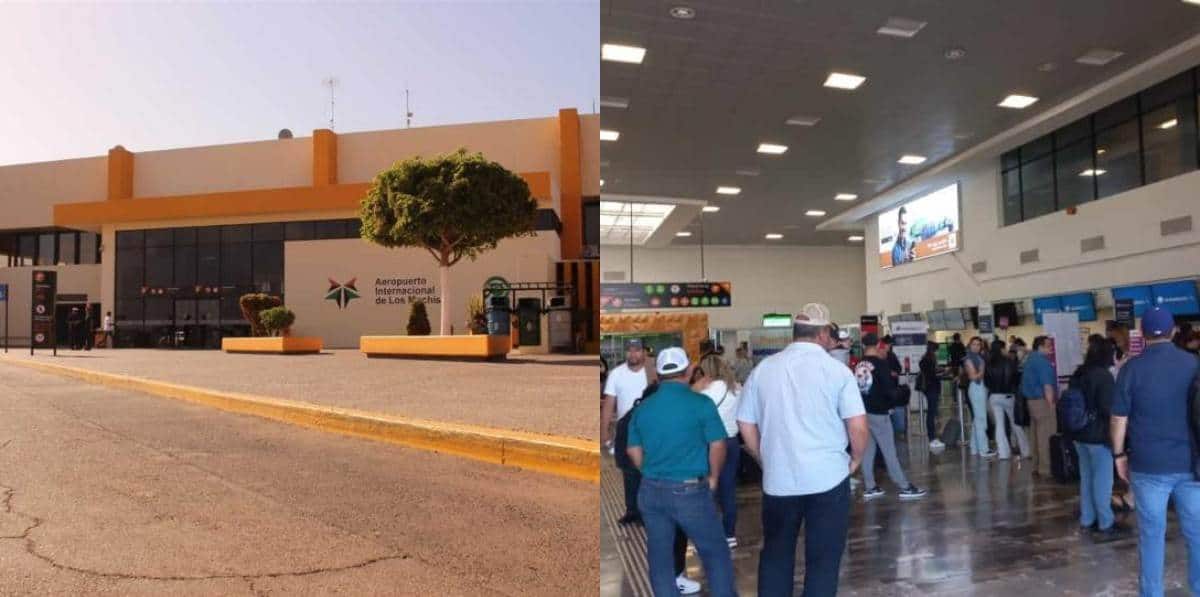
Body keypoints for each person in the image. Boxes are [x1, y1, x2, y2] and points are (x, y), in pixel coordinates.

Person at [737, 303, 869, 597]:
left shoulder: (764, 369)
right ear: (823, 334)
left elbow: (745, 422)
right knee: (823, 560)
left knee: (775, 556)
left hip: (779, 481)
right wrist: (856, 459)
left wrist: (763, 457)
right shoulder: (836, 371)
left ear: (794, 333)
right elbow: (858, 426)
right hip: (828, 480)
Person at [626, 347, 736, 597]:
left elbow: (633, 449)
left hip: (651, 491)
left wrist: (650, 472)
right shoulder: (700, 404)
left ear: (658, 375)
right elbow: (718, 444)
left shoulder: (643, 408)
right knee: (715, 552)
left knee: (660, 556)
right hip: (690, 491)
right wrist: (714, 478)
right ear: (688, 372)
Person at [1111, 307, 1200, 596]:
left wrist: (1119, 455)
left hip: (1148, 464)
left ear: (1144, 335)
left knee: (1151, 535)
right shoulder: (1193, 364)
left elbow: (1118, 418)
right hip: (1192, 463)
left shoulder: (1131, 369)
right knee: (1197, 533)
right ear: (1174, 331)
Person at [855, 333, 928, 502]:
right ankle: (904, 486)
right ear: (879, 344)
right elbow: (889, 390)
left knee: (868, 450)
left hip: (864, 411)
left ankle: (870, 486)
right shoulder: (881, 364)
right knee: (889, 451)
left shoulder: (859, 364)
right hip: (880, 413)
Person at [1071, 336, 1124, 538]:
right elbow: (1108, 409)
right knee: (1103, 481)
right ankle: (1106, 522)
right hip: (1098, 436)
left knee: (1086, 478)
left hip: (1079, 434)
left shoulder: (1079, 372)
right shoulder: (1103, 376)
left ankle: (1087, 518)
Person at [692, 353, 742, 549]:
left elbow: (692, 408)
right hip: (732, 442)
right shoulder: (737, 388)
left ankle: (707, 536)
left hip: (712, 444)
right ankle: (729, 534)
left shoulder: (709, 390)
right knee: (728, 490)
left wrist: (696, 387)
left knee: (708, 489)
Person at [602, 338, 651, 525]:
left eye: (637, 350)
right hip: (626, 429)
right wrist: (604, 430)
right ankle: (632, 510)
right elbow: (609, 404)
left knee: (646, 471)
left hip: (649, 429)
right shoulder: (616, 374)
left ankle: (646, 511)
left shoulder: (651, 373)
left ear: (643, 353)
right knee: (628, 471)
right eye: (630, 350)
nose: (633, 354)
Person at [1021, 335, 1059, 477]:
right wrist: (1052, 404)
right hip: (1043, 402)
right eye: (1048, 345)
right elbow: (1047, 386)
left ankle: (1036, 466)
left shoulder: (1030, 359)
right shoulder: (1043, 362)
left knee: (1035, 435)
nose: (1051, 348)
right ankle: (1046, 469)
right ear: (1040, 346)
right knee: (1046, 435)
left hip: (1031, 402)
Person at [986, 338, 1028, 460]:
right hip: (1008, 395)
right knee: (1016, 423)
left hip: (994, 396)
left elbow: (987, 382)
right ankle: (1025, 450)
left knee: (999, 425)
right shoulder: (1009, 362)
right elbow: (1015, 379)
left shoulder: (988, 363)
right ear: (1001, 349)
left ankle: (1003, 453)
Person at [963, 336, 994, 458]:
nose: (976, 346)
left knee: (978, 419)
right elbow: (973, 377)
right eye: (974, 344)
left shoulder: (978, 358)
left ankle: (974, 447)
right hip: (976, 388)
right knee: (981, 420)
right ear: (969, 345)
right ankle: (984, 449)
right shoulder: (969, 359)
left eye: (978, 344)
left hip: (980, 388)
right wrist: (982, 369)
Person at [919, 341, 944, 449]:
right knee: (931, 412)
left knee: (931, 412)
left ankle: (932, 436)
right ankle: (932, 437)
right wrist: (941, 373)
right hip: (932, 388)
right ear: (934, 350)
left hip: (929, 388)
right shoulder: (929, 360)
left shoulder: (925, 359)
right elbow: (932, 375)